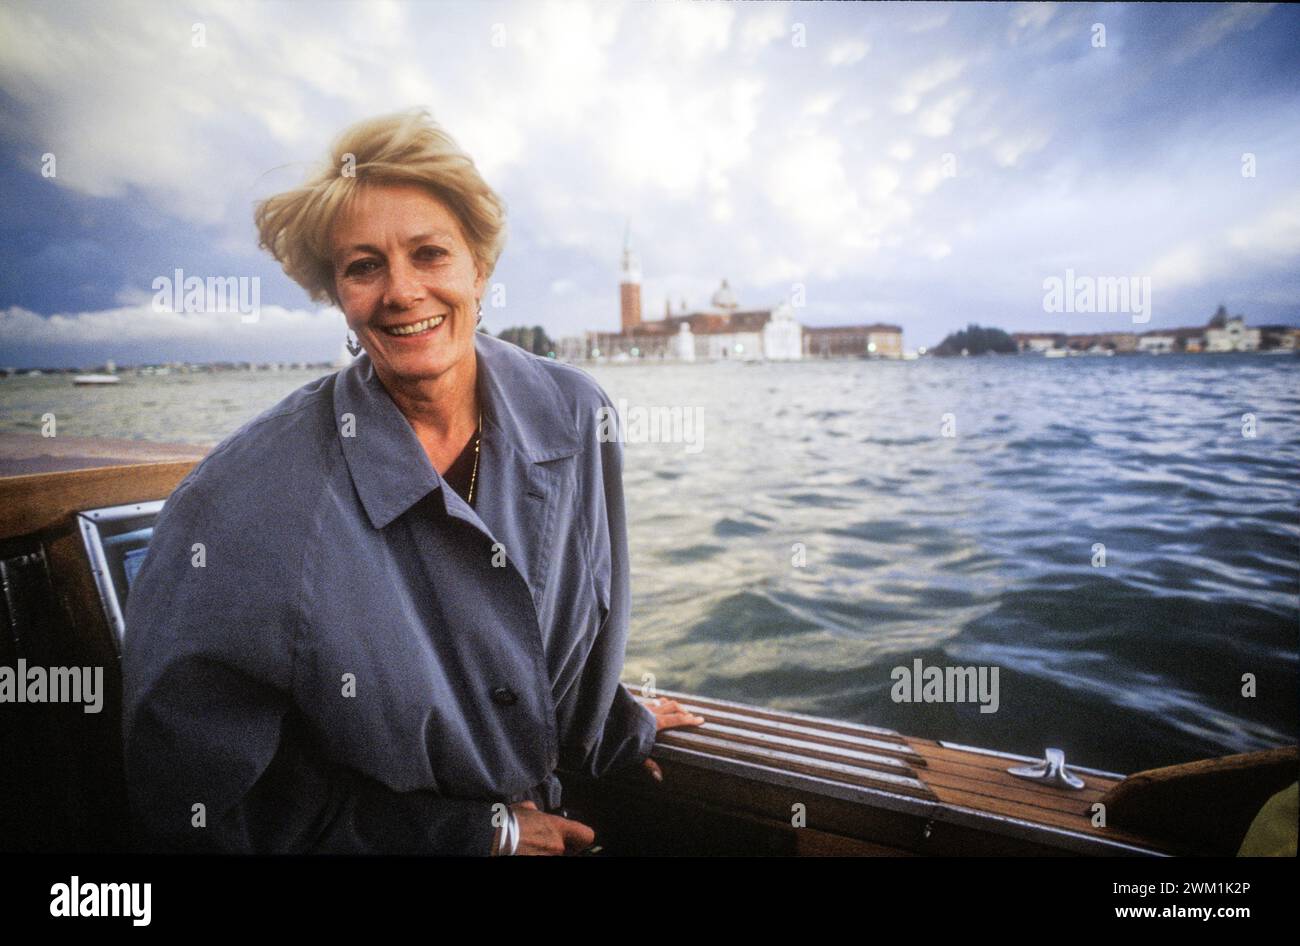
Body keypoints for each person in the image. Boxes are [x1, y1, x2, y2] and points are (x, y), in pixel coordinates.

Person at [120, 109, 704, 855]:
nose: (401, 291)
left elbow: (578, 626)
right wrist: (468, 836)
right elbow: (199, 806)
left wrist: (621, 725)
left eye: (430, 253)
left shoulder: (575, 415)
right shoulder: (240, 503)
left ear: (479, 268)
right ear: (338, 293)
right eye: (364, 266)